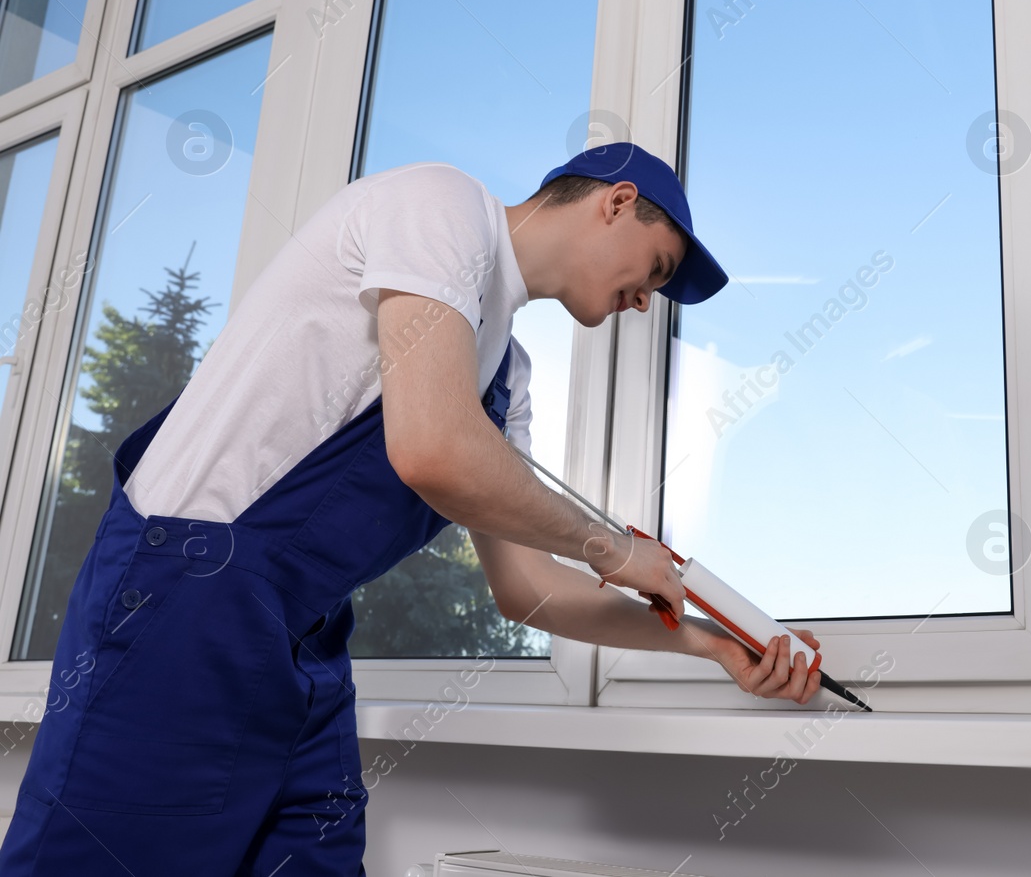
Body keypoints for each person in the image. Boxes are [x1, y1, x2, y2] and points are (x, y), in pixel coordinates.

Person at [0, 141, 821, 875]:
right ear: (614, 201)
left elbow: (525, 589)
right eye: (660, 268)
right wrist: (615, 550)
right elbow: (432, 449)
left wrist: (712, 646)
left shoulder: (506, 376)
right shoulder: (443, 206)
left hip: (301, 640)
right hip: (181, 603)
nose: (649, 299)